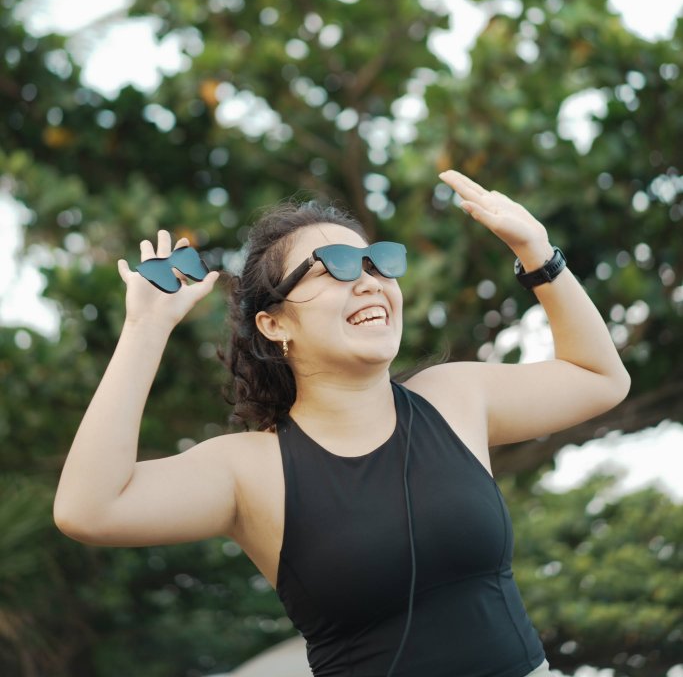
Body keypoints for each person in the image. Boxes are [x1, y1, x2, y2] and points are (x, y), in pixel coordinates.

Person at [54, 169, 631, 677]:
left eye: (379, 261)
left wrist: (538, 253)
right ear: (275, 324)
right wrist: (146, 328)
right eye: (337, 266)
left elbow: (599, 378)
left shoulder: (454, 396)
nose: (370, 279)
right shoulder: (251, 468)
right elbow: (88, 508)